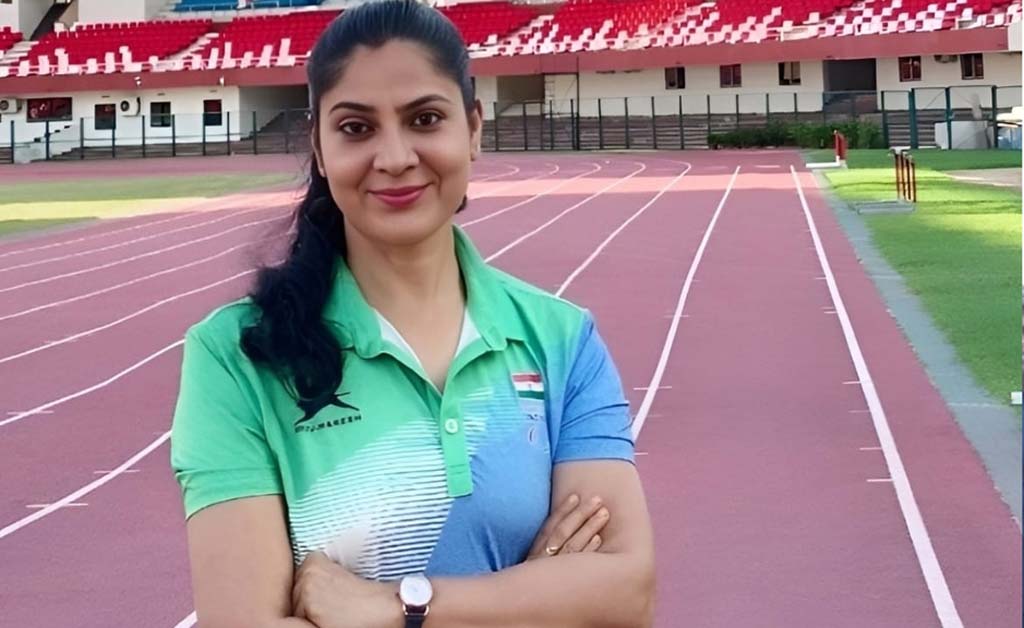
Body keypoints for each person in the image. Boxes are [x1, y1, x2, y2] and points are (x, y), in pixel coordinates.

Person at [169, 1, 655, 627]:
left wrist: (397, 605)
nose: (395, 156)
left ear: (473, 129)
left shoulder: (562, 340)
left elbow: (626, 595)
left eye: (425, 119)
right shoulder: (238, 355)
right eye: (356, 128)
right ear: (319, 147)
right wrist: (534, 597)